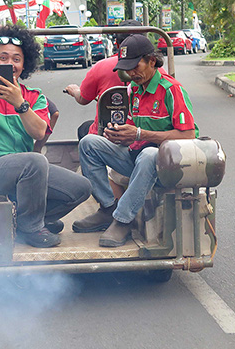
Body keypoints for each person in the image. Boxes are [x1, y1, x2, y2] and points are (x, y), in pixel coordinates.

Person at [0, 25, 91, 248]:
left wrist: (20, 104)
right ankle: (31, 227)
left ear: (24, 65)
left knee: (81, 188)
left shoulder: (33, 96)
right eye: (3, 57)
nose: (10, 64)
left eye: (16, 59)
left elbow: (39, 132)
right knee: (34, 161)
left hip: (23, 171)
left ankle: (29, 219)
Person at [74, 34, 198, 247]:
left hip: (165, 167)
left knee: (150, 154)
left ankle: (123, 220)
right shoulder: (134, 90)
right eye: (127, 69)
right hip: (137, 158)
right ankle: (108, 208)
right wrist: (119, 135)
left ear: (152, 60)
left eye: (135, 66)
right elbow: (132, 131)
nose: (131, 73)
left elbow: (188, 135)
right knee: (88, 143)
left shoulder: (172, 90)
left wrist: (140, 134)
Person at [63, 19, 142, 139]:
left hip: (110, 133)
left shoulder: (101, 66)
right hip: (141, 132)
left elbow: (83, 99)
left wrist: (74, 91)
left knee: (84, 129)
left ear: (116, 44)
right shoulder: (155, 69)